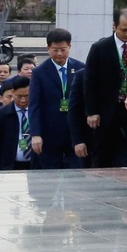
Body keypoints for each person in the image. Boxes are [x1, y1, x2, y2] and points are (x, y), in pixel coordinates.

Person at [83, 8, 127, 168]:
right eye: (124, 30)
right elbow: (90, 81)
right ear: (114, 26)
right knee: (102, 148)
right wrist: (92, 111)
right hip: (107, 107)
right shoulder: (100, 48)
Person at [29, 28, 87, 170]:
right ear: (48, 48)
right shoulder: (39, 72)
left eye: (63, 49)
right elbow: (34, 105)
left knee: (77, 174)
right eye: (55, 50)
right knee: (50, 174)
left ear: (70, 47)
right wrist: (36, 134)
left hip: (75, 133)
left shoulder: (81, 68)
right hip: (49, 133)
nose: (59, 54)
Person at [0, 76, 33, 171]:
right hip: (10, 165)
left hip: (35, 165)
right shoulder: (1, 114)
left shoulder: (38, 111)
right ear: (13, 92)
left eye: (27, 96)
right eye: (19, 96)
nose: (23, 100)